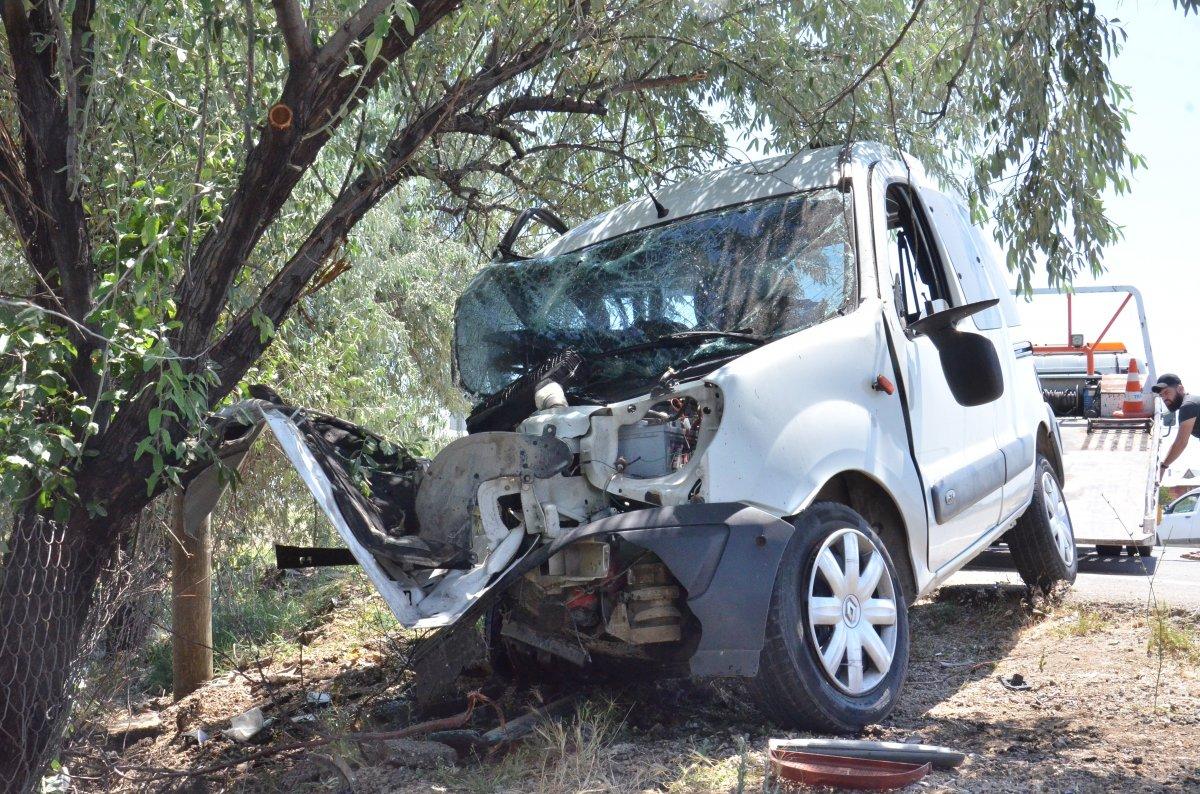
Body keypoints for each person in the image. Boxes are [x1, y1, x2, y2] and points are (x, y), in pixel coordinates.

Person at [1151, 373, 1200, 478]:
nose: (1164, 398)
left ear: (1180, 389)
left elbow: (1181, 442)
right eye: (1161, 395)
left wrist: (1163, 466)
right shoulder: (1192, 402)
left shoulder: (1188, 405)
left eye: (1167, 392)